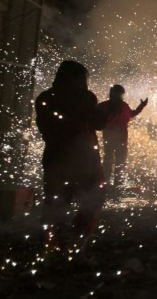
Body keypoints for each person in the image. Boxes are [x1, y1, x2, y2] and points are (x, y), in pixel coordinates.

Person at [35, 60, 106, 247]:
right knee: (93, 198)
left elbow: (45, 129)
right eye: (82, 78)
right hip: (85, 161)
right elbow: (98, 123)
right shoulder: (86, 97)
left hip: (55, 159)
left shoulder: (45, 97)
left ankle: (49, 242)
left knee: (55, 202)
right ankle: (79, 238)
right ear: (76, 78)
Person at [97, 84, 147, 187]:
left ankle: (105, 182)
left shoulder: (103, 106)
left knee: (108, 159)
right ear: (121, 95)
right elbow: (132, 114)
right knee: (120, 161)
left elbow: (94, 116)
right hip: (121, 138)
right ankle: (117, 184)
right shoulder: (123, 106)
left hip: (108, 137)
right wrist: (141, 106)